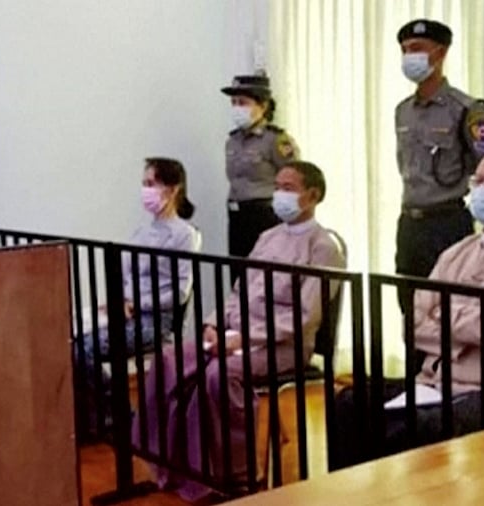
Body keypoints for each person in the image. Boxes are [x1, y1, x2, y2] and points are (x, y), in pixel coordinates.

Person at [334, 148, 484, 468]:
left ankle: (412, 492)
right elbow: (414, 325)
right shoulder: (456, 252)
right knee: (351, 403)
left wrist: (444, 317)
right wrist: (476, 324)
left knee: (417, 426)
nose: (482, 191)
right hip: (434, 382)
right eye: (477, 181)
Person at [134, 161, 345, 503]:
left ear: (313, 195)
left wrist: (243, 340)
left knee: (219, 376)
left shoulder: (323, 247)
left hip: (282, 344)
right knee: (170, 360)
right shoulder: (267, 237)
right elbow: (238, 291)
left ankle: (238, 473)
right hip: (235, 333)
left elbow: (304, 317)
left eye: (289, 188)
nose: (279, 194)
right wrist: (215, 325)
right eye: (277, 186)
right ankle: (172, 461)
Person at [77, 157, 200, 431]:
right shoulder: (141, 232)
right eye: (144, 183)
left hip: (154, 320)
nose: (145, 190)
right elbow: (125, 276)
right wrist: (118, 300)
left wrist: (138, 304)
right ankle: (92, 418)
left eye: (151, 183)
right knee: (68, 340)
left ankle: (118, 413)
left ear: (172, 189)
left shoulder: (184, 235)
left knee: (85, 349)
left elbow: (180, 292)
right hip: (126, 312)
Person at [394, 19, 484, 310]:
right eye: (404, 50)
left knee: (451, 308)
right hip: (410, 224)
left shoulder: (466, 109)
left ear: (440, 53)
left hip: (447, 223)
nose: (409, 56)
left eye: (417, 48)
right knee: (410, 308)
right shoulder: (403, 111)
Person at [221, 73, 300, 278]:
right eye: (234, 103)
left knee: (265, 276)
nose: (237, 108)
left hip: (264, 215)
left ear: (262, 106)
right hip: (237, 215)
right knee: (239, 275)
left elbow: (295, 177)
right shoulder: (232, 140)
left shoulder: (276, 140)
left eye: (243, 103)